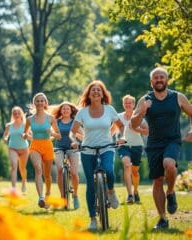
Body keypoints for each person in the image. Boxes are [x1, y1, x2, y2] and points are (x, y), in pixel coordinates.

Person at [131, 67, 192, 230]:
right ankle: (163, 218)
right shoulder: (145, 99)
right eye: (156, 78)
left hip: (172, 140)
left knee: (169, 164)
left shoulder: (178, 97)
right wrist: (142, 110)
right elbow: (133, 124)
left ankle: (171, 192)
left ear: (167, 80)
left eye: (162, 77)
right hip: (153, 144)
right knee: (157, 181)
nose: (159, 80)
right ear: (151, 82)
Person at [71, 80, 125, 230]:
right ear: (88, 94)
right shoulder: (82, 112)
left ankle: (111, 191)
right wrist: (75, 141)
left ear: (103, 94)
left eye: (99, 90)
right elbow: (73, 131)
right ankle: (93, 219)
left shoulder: (109, 110)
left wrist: (120, 136)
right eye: (93, 90)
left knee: (109, 170)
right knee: (90, 184)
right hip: (88, 150)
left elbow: (121, 126)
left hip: (107, 147)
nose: (96, 92)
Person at [22, 92, 61, 208]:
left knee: (47, 174)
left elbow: (59, 135)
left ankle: (48, 194)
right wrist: (25, 136)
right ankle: (41, 198)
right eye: (37, 101)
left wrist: (52, 133)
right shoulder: (30, 119)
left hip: (48, 146)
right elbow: (25, 132)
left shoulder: (51, 118)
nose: (39, 103)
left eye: (41, 101)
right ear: (34, 103)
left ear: (45, 103)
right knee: (38, 169)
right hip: (35, 146)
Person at [117, 94, 148, 204]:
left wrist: (136, 129)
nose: (128, 105)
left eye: (130, 103)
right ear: (123, 105)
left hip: (137, 146)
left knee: (135, 172)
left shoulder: (138, 116)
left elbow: (147, 131)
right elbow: (112, 130)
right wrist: (113, 139)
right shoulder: (119, 117)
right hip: (123, 146)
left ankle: (135, 191)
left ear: (134, 104)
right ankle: (130, 195)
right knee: (127, 165)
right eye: (126, 103)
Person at [51, 101, 82, 209]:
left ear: (71, 111)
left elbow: (82, 135)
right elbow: (53, 135)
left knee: (73, 173)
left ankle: (76, 195)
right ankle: (62, 197)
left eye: (67, 109)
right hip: (59, 148)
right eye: (63, 109)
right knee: (59, 169)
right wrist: (51, 135)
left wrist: (78, 141)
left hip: (72, 149)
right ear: (60, 111)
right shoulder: (57, 122)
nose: (65, 110)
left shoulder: (74, 122)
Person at [3, 106, 29, 193]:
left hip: (24, 149)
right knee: (14, 166)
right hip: (12, 148)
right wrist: (5, 138)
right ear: (12, 115)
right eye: (14, 113)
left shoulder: (25, 125)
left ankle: (24, 182)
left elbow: (31, 137)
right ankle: (13, 188)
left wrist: (25, 136)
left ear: (21, 114)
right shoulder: (9, 125)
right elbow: (5, 135)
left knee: (22, 168)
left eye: (18, 113)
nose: (16, 115)